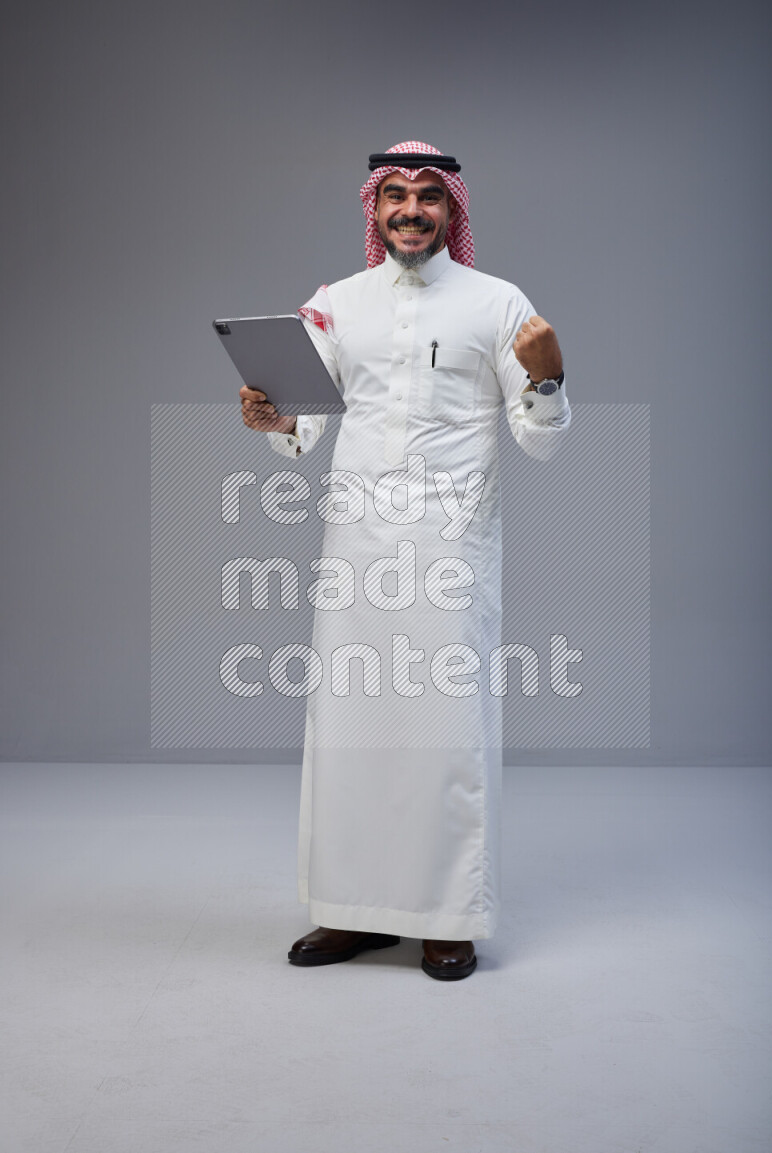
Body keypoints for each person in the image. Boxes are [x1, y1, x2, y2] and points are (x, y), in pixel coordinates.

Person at [240, 141, 570, 980]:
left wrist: (548, 379)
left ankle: (447, 918)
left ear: (452, 210)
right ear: (375, 207)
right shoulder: (334, 305)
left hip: (451, 547)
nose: (412, 210)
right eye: (396, 194)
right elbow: (302, 429)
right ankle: (349, 912)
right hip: (356, 546)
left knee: (444, 732)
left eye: (429, 195)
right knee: (349, 729)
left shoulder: (498, 303)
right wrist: (274, 416)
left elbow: (540, 440)